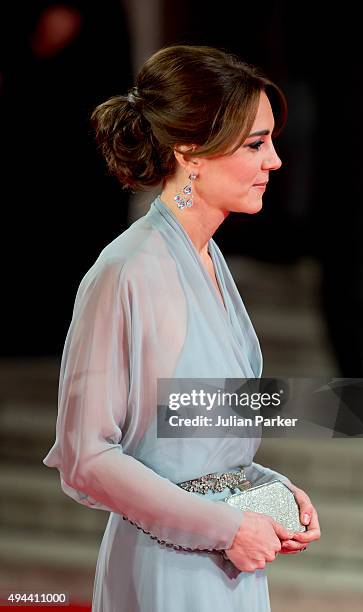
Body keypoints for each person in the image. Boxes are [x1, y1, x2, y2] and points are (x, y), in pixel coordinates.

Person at [43, 44, 320, 612]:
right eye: (256, 144)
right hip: (166, 570)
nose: (275, 161)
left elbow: (194, 443)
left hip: (231, 562)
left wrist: (265, 488)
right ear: (192, 151)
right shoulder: (126, 273)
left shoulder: (208, 258)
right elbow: (87, 457)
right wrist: (224, 526)